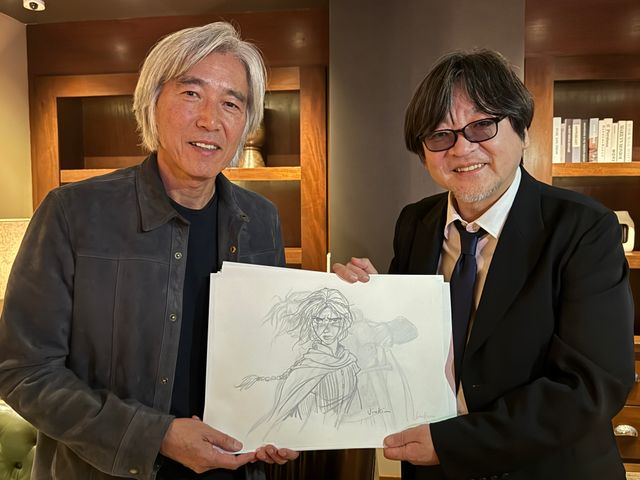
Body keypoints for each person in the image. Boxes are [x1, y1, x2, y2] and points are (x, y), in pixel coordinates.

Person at [0, 22, 298, 480]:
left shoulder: (260, 220)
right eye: (191, 93)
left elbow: (271, 352)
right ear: (152, 102)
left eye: (231, 103)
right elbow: (23, 370)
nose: (210, 120)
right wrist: (155, 435)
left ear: (245, 122)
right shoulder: (73, 212)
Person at [334, 49, 635, 479]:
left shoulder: (584, 227)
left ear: (521, 130)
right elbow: (410, 338)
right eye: (440, 135)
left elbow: (591, 385)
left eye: (481, 126)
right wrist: (370, 300)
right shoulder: (416, 222)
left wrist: (454, 444)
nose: (462, 148)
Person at [237, 288, 361, 434]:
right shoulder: (307, 366)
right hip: (311, 436)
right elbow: (283, 416)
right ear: (312, 324)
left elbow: (357, 407)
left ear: (343, 323)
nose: (326, 329)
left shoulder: (349, 361)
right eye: (319, 321)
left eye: (334, 321)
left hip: (349, 435)